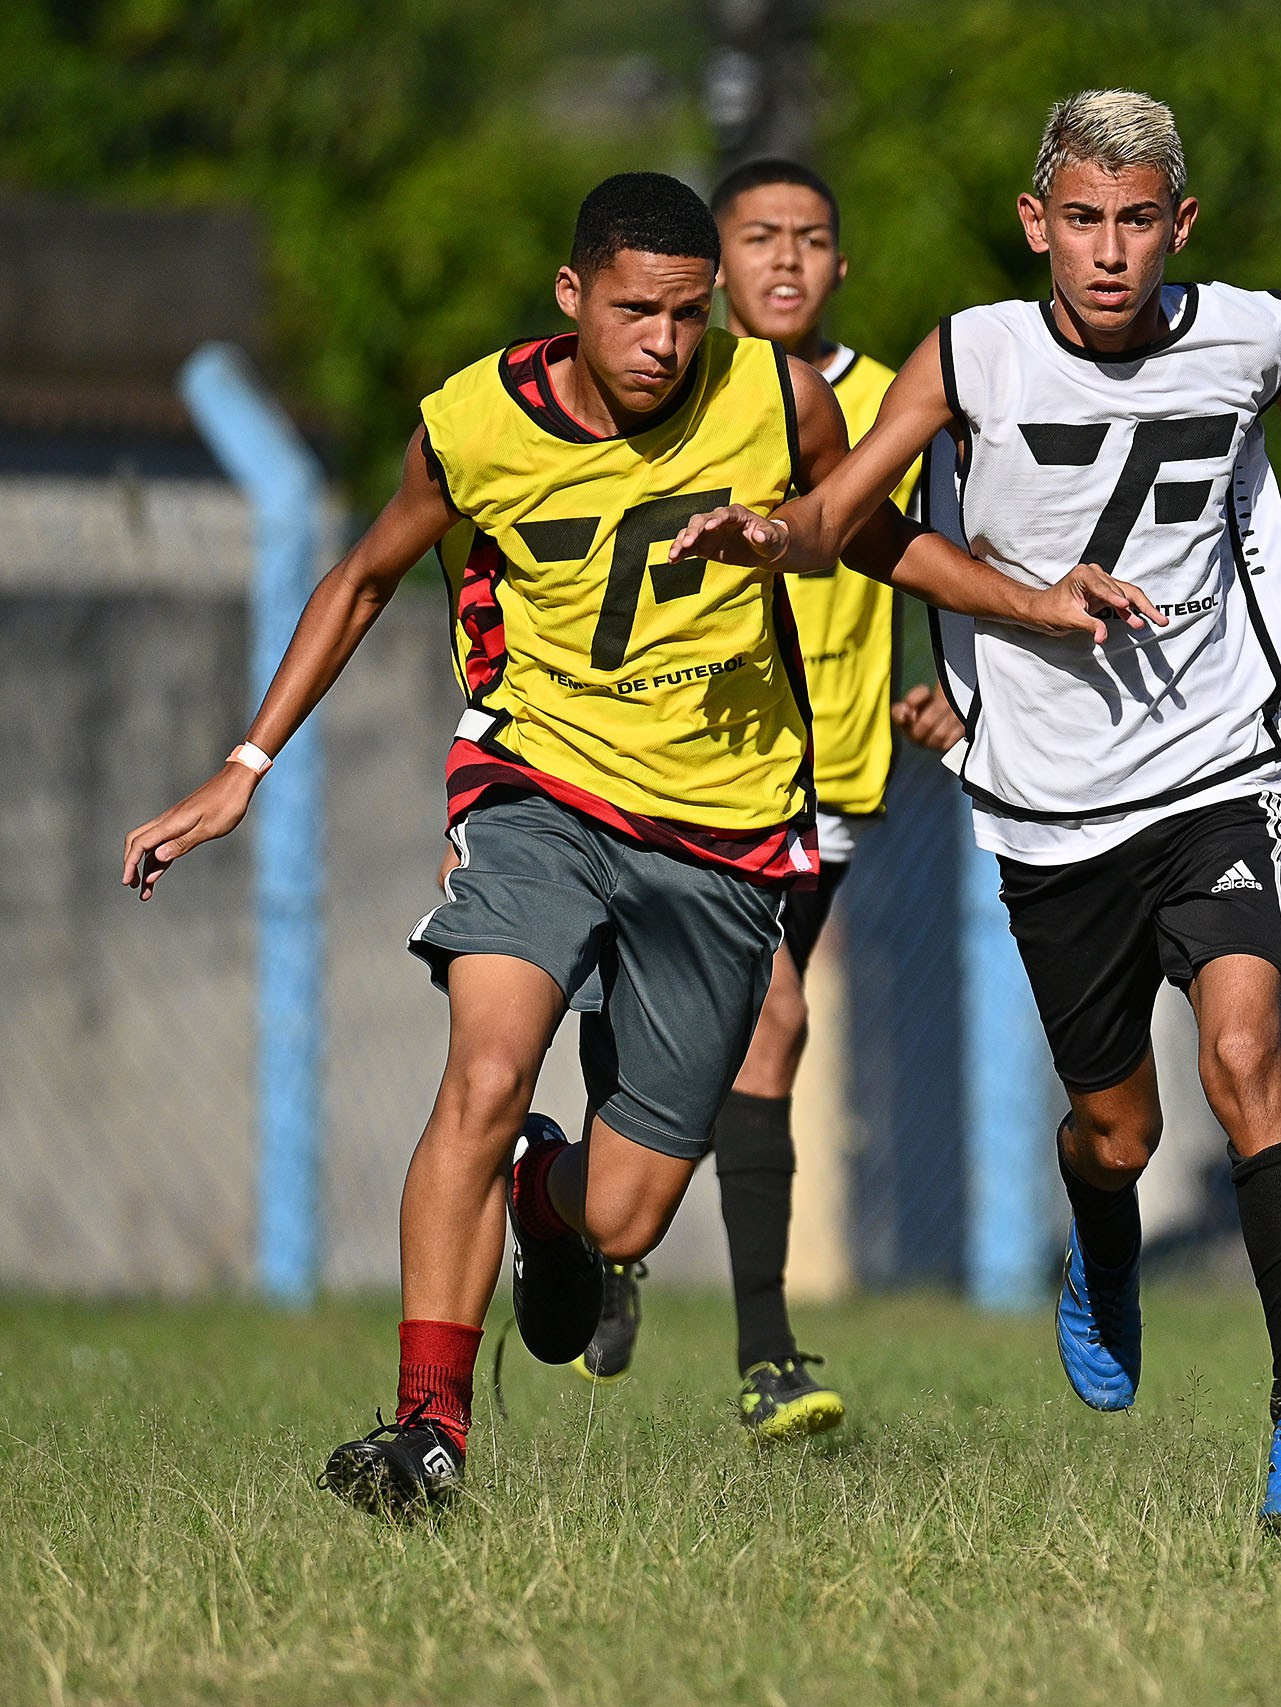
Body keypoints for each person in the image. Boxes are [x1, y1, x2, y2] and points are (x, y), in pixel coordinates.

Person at [121, 171, 1159, 1517]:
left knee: (624, 1215)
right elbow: (367, 570)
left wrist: (1031, 603)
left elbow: (869, 534)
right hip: (536, 787)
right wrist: (243, 764)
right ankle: (429, 1429)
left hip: (724, 838)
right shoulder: (473, 420)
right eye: (632, 310)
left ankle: (544, 1209)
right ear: (573, 298)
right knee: (483, 1065)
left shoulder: (777, 395)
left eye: (685, 311)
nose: (663, 341)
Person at [668, 90, 1281, 1524]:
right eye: (1083, 220)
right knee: (1116, 1128)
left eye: (1137, 221)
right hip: (1052, 802)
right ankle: (1101, 1234)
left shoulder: (1243, 330)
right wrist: (777, 533)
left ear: (1177, 224)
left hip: (1213, 763)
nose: (1110, 251)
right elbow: (843, 519)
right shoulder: (974, 353)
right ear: (1035, 224)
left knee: (1248, 1059)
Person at [561, 157, 962, 1443]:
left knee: (733, 1026)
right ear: (714, 267)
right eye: (758, 239)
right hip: (689, 773)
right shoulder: (682, 392)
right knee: (765, 1021)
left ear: (842, 264)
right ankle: (763, 1346)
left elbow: (924, 545)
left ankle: (606, 1237)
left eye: (811, 239)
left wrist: (945, 681)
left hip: (835, 774)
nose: (785, 262)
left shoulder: (881, 403)